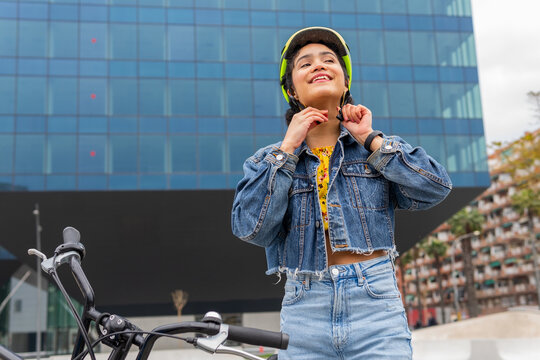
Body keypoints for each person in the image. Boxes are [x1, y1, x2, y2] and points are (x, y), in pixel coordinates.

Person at [231, 27, 452, 359]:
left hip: (375, 306)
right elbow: (251, 229)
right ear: (291, 88)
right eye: (305, 63)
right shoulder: (266, 160)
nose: (318, 66)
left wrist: (371, 138)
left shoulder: (372, 151)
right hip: (304, 309)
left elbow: (435, 188)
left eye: (329, 60)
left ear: (345, 82)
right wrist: (288, 149)